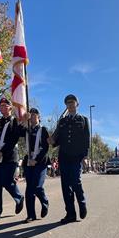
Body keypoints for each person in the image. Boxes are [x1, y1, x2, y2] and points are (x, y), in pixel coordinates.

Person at [48, 94, 90, 223]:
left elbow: (86, 139)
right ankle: (70, 213)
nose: (70, 105)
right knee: (66, 186)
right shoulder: (62, 121)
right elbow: (58, 139)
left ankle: (82, 204)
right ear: (66, 105)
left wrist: (85, 156)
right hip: (64, 157)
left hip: (77, 157)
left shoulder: (83, 119)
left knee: (76, 182)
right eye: (68, 103)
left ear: (77, 104)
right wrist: (52, 142)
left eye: (72, 102)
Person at [0, 98, 26, 225]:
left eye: (4, 106)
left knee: (6, 181)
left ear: (10, 108)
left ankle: (19, 197)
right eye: (0, 106)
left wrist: (25, 121)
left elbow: (15, 137)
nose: (2, 108)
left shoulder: (14, 121)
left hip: (9, 156)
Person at [21, 108, 50, 223]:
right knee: (29, 189)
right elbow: (17, 131)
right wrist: (23, 120)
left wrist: (36, 160)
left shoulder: (43, 130)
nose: (32, 116)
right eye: (30, 114)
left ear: (39, 116)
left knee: (37, 186)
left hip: (40, 162)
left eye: (34, 114)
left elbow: (46, 148)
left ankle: (45, 202)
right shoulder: (27, 129)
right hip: (28, 161)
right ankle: (31, 215)